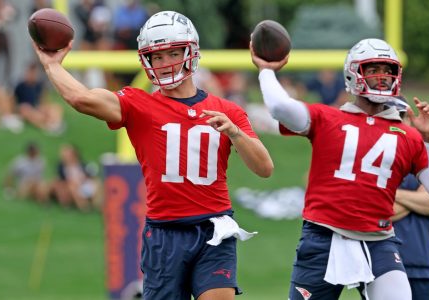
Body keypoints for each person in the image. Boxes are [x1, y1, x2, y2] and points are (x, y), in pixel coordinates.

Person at [31, 10, 273, 300]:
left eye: (172, 54)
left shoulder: (228, 111)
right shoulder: (139, 105)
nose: (164, 63)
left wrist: (234, 132)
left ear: (190, 51)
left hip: (214, 227)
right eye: (156, 57)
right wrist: (51, 65)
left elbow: (264, 167)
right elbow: (81, 99)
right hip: (164, 233)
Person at [251, 38, 429, 300]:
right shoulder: (328, 118)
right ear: (353, 73)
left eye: (387, 70)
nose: (382, 77)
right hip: (323, 235)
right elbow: (279, 107)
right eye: (372, 70)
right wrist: (266, 70)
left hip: (378, 239)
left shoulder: (408, 134)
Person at [389, 96, 429, 300]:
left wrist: (389, 193)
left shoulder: (427, 153)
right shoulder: (366, 158)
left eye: (400, 116)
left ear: (409, 118)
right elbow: (378, 212)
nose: (395, 122)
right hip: (382, 266)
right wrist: (418, 198)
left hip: (423, 265)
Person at [14, 62, 65, 134]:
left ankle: (54, 124)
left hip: (36, 108)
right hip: (25, 109)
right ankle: (46, 127)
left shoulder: (39, 86)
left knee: (56, 107)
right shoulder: (20, 86)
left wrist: (43, 108)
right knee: (26, 109)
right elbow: (14, 101)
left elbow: (43, 101)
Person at [50, 143, 101, 212]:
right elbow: (61, 179)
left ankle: (97, 205)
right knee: (72, 186)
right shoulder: (62, 167)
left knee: (97, 182)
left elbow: (89, 174)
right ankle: (84, 206)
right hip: (71, 187)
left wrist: (85, 179)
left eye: (68, 153)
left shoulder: (82, 164)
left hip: (83, 183)